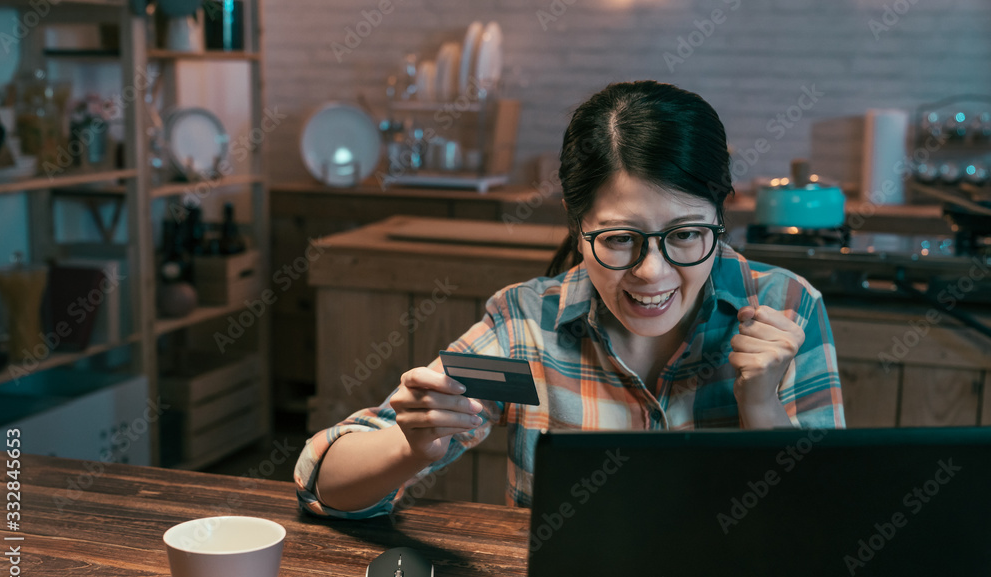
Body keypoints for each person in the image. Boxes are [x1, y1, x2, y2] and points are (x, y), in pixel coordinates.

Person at [295, 80, 845, 519]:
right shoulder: (527, 329)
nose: (652, 273)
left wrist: (762, 409)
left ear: (720, 215)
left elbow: (830, 523)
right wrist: (408, 449)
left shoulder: (788, 307)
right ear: (577, 226)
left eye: (684, 234)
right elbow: (326, 483)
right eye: (619, 239)